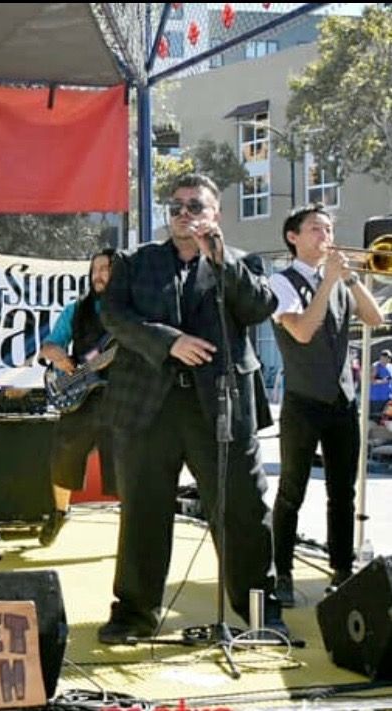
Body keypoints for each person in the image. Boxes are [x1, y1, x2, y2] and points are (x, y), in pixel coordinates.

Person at [98, 173, 286, 643]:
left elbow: (259, 307)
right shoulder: (135, 262)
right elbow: (114, 316)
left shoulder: (242, 262)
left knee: (242, 509)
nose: (184, 214)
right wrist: (169, 342)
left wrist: (220, 260)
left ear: (215, 213)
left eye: (195, 206)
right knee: (144, 512)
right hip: (148, 407)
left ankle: (259, 611)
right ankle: (134, 614)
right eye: (177, 206)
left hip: (220, 406)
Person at [268, 204, 382, 605]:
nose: (326, 236)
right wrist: (329, 280)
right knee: (291, 491)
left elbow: (374, 318)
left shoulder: (336, 281)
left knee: (342, 492)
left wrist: (349, 279)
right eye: (316, 228)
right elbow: (301, 331)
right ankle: (282, 572)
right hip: (303, 401)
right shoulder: (279, 282)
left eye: (329, 229)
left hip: (341, 400)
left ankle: (342, 569)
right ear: (293, 237)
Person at [37, 248, 117, 546]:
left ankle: (131, 529)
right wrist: (59, 357)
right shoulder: (77, 309)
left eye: (105, 268)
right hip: (80, 395)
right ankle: (59, 512)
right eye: (95, 269)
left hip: (121, 396)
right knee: (63, 454)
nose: (98, 274)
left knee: (125, 461)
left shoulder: (131, 310)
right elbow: (48, 346)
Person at [370, 350, 392, 423]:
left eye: (388, 357)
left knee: (387, 420)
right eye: (383, 357)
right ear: (380, 357)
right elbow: (371, 381)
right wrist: (383, 381)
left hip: (388, 399)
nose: (385, 359)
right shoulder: (375, 366)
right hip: (377, 399)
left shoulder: (390, 367)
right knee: (375, 420)